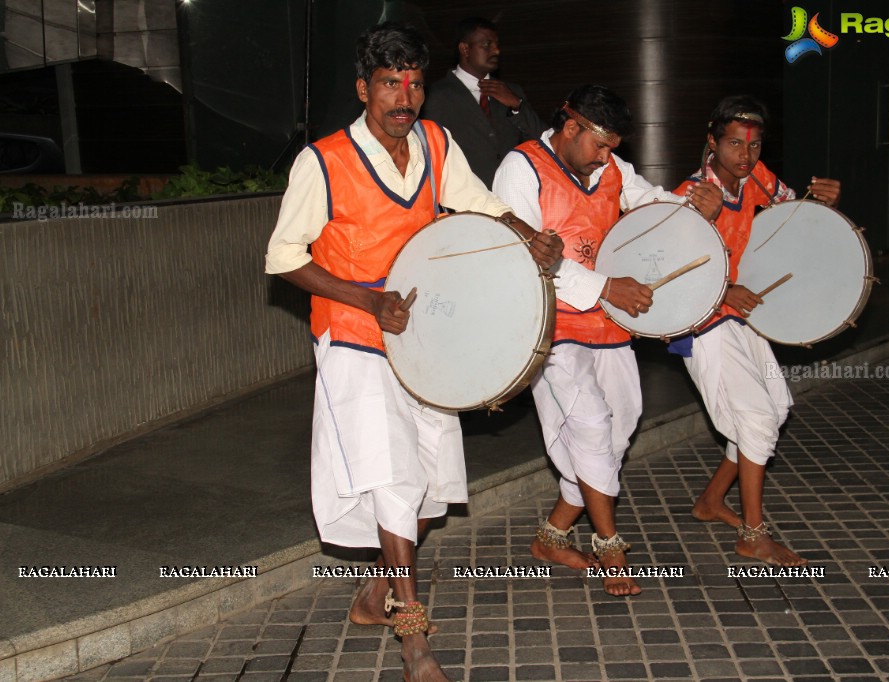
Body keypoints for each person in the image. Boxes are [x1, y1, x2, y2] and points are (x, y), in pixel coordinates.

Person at [264, 22, 562, 682]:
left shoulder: (434, 140)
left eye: (414, 83)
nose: (404, 96)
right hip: (352, 333)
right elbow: (282, 258)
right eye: (390, 83)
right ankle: (413, 635)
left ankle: (375, 592)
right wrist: (367, 301)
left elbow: (475, 201)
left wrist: (525, 235)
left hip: (424, 333)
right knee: (394, 478)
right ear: (362, 88)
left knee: (428, 489)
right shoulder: (323, 161)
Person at [493, 85, 722, 596]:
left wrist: (692, 204)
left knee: (618, 428)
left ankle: (552, 535)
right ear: (570, 128)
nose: (606, 156)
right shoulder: (521, 167)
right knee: (591, 427)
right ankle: (609, 543)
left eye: (612, 147)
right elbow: (523, 254)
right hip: (548, 327)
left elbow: (650, 203)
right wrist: (604, 286)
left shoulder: (612, 167)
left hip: (608, 323)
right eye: (600, 144)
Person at [667, 95, 840, 567]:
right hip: (703, 322)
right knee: (757, 421)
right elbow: (669, 271)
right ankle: (752, 533)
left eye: (755, 145)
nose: (746, 155)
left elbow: (790, 212)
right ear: (712, 141)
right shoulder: (691, 196)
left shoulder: (755, 178)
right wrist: (724, 293)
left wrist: (818, 203)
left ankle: (710, 502)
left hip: (741, 315)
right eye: (735, 144)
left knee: (774, 409)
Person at [421, 16, 544, 188]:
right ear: (465, 49)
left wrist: (517, 106)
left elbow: (543, 144)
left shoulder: (512, 92)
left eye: (497, 45)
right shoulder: (435, 96)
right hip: (461, 201)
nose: (496, 51)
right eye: (487, 44)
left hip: (511, 193)